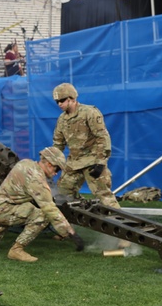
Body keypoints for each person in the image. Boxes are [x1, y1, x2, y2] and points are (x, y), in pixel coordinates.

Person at [51, 82, 119, 210]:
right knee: (62, 194)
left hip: (92, 161)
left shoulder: (90, 113)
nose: (59, 104)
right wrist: (55, 163)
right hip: (74, 163)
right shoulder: (62, 119)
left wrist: (100, 162)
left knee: (104, 196)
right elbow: (58, 143)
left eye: (62, 100)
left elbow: (102, 137)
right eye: (57, 101)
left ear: (72, 98)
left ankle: (121, 224)